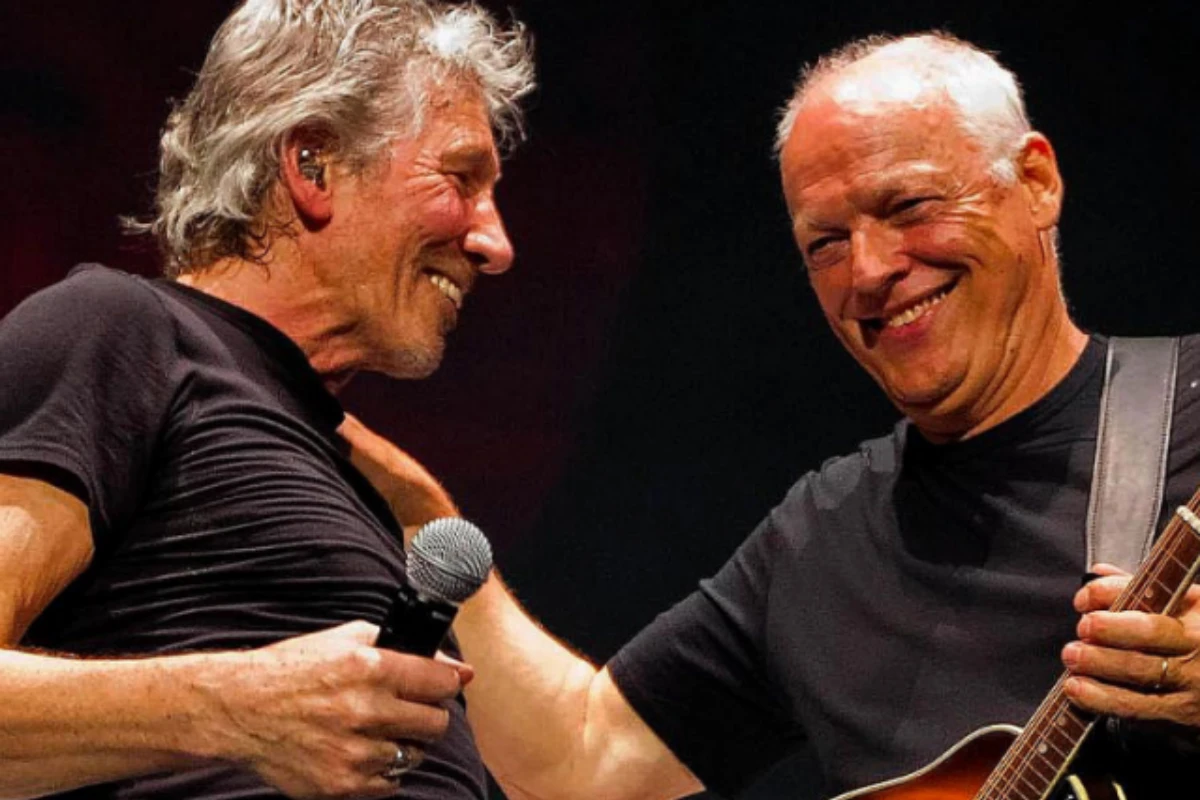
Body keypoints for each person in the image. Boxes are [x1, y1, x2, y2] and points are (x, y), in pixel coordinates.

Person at [348, 31, 1200, 799]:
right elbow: (583, 763)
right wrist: (414, 507)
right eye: (825, 242)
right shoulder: (826, 537)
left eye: (909, 207)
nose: (867, 271)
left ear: (1037, 180)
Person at [0, 1, 533, 798]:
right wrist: (242, 706)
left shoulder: (363, 480)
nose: (496, 244)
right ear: (312, 163)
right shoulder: (121, 331)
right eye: (460, 178)